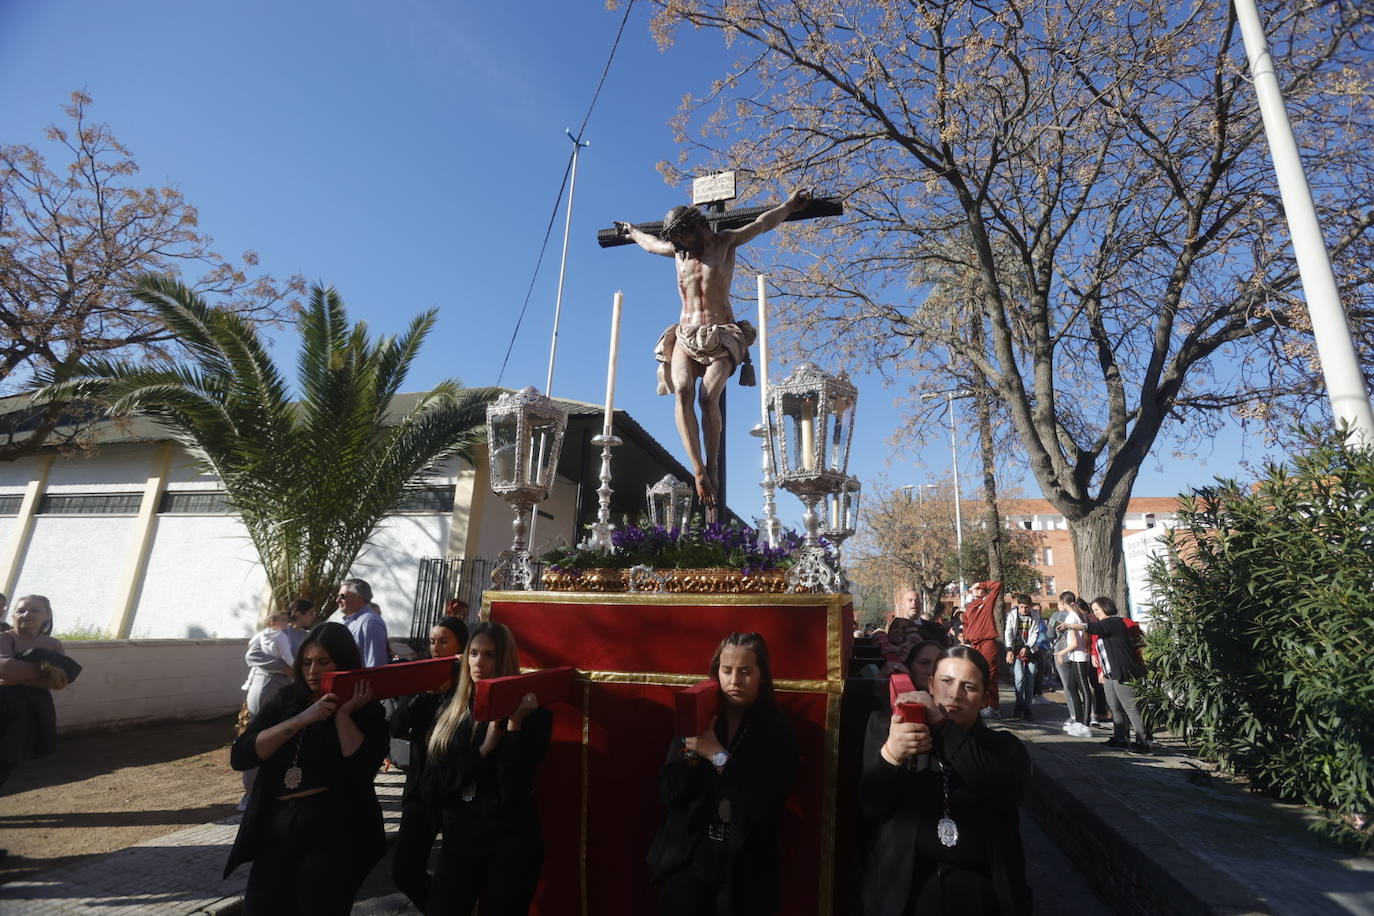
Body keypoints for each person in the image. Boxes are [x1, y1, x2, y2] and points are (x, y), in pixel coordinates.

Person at [615, 188, 811, 506]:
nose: (682, 245)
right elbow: (651, 246)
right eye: (677, 239)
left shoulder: (725, 242)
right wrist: (633, 231)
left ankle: (713, 464)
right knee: (682, 392)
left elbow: (762, 223)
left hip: (721, 336)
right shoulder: (679, 254)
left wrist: (789, 206)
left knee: (708, 398)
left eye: (684, 237)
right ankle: (698, 470)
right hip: (686, 334)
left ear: (698, 227)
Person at [225, 621, 389, 914]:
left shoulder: (366, 708)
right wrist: (303, 718)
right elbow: (242, 756)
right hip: (277, 826)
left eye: (323, 662)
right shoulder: (287, 701)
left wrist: (343, 714)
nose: (313, 671)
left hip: (333, 829)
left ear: (343, 660)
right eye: (307, 662)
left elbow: (360, 770)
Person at [860, 645, 1033, 915]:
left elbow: (1005, 790)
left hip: (980, 892)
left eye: (969, 687)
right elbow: (871, 806)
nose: (955, 694)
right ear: (930, 684)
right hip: (906, 890)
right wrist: (891, 755)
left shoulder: (1003, 747)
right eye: (946, 682)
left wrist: (943, 726)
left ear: (986, 698)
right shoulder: (889, 729)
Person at [647, 632, 799, 915]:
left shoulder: (777, 730)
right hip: (689, 858)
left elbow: (764, 804)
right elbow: (670, 794)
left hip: (745, 869)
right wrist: (693, 751)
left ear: (762, 675)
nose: (734, 681)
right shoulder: (698, 715)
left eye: (745, 672)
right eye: (727, 670)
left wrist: (717, 755)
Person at [423, 621, 551, 916]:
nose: (479, 662)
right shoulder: (451, 711)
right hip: (459, 839)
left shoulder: (535, 717)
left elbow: (514, 789)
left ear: (504, 658)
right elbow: (432, 786)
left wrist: (514, 727)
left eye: (490, 655)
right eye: (474, 653)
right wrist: (482, 750)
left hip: (509, 843)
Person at [389, 617, 467, 911]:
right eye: (432, 642)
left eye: (443, 641)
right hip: (421, 791)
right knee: (404, 871)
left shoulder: (469, 686)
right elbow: (395, 726)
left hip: (456, 793)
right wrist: (423, 696)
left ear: (461, 645)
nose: (435, 648)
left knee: (456, 876)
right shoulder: (421, 680)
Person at [0, 596, 75, 795]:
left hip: (33, 708)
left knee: (11, 757)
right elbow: (4, 668)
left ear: (47, 616)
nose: (27, 615)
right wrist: (47, 672)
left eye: (35, 610)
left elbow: (64, 678)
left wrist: (19, 675)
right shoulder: (4, 638)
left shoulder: (53, 644)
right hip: (4, 705)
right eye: (21, 610)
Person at [1059, 597, 1150, 752]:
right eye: (1093, 610)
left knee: (1130, 707)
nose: (1095, 613)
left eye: (1097, 610)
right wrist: (1101, 671)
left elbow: (1091, 628)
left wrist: (1069, 625)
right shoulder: (1105, 626)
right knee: (1114, 706)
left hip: (1121, 672)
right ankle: (1121, 737)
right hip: (1108, 673)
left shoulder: (1115, 623)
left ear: (1106, 608)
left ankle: (1144, 742)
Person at [238, 606, 301, 809]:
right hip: (268, 688)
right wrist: (285, 668)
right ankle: (250, 792)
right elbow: (252, 655)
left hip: (287, 691)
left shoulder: (305, 634)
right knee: (259, 736)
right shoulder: (275, 634)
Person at [1050, 593, 1094, 738]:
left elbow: (1075, 643)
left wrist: (1061, 653)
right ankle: (1079, 721)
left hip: (1080, 658)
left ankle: (1085, 724)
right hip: (1076, 657)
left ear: (1063, 603)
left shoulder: (1071, 617)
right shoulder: (1078, 615)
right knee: (1071, 687)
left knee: (1084, 690)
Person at [1002, 595, 1048, 720]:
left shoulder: (1035, 615)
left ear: (1030, 606)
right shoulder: (1012, 615)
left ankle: (1028, 707)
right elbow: (1008, 632)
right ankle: (1019, 704)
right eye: (1021, 607)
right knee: (1019, 678)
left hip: (1031, 650)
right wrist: (1009, 650)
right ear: (1018, 605)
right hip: (1016, 649)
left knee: (1030, 679)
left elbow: (1035, 633)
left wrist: (1027, 647)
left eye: (1026, 607)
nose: (1024, 610)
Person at [961, 581, 1003, 717]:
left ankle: (992, 706)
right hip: (974, 644)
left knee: (990, 674)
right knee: (976, 674)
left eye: (981, 589)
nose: (978, 591)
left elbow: (997, 585)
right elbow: (966, 626)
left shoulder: (987, 602)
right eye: (976, 589)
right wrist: (966, 639)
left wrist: (981, 583)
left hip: (987, 642)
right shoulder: (968, 607)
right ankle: (981, 704)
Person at [337, 578, 389, 668]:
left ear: (358, 597)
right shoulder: (350, 621)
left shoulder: (370, 622)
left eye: (342, 596)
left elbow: (376, 665)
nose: (337, 600)